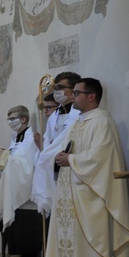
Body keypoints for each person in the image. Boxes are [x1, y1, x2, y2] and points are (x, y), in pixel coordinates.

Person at [46, 77, 129, 257]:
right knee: (71, 241)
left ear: (91, 96)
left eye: (76, 93)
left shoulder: (102, 122)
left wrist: (71, 159)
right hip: (72, 192)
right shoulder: (78, 122)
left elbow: (100, 158)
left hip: (92, 194)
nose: (72, 97)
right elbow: (68, 149)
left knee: (93, 240)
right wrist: (60, 157)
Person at [0, 105, 41, 257]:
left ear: (23, 119)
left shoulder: (31, 137)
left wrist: (9, 157)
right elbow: (14, 158)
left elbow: (26, 160)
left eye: (13, 118)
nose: (10, 122)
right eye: (9, 118)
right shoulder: (16, 137)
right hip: (14, 188)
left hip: (27, 192)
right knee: (17, 227)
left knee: (29, 228)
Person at [31, 72, 81, 216]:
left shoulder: (78, 114)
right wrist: (42, 149)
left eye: (60, 87)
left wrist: (48, 153)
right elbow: (49, 143)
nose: (56, 92)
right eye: (56, 88)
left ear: (73, 90)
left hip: (70, 169)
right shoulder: (54, 115)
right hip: (54, 169)